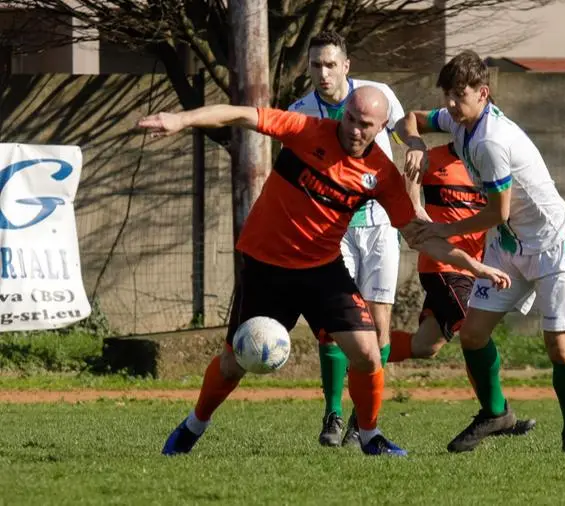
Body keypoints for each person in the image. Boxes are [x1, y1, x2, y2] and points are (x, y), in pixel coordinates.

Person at [139, 86, 511, 457]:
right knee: (234, 363)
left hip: (322, 270)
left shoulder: (380, 173)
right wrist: (181, 120)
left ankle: (370, 435)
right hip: (266, 266)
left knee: (367, 353)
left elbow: (417, 234)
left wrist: (472, 264)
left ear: (381, 127)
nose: (353, 129)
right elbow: (241, 114)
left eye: (365, 125)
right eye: (350, 118)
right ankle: (194, 425)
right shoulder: (306, 130)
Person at [396, 50, 565, 453]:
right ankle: (496, 414)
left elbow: (495, 211)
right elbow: (411, 118)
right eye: (448, 94)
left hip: (553, 245)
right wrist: (414, 142)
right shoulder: (458, 119)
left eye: (459, 95)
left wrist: (443, 229)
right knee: (472, 334)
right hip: (508, 245)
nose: (450, 104)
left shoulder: (490, 141)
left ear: (482, 93)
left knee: (560, 347)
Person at [287, 31, 415, 448]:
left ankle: (365, 419)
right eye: (314, 65)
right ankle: (333, 414)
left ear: (346, 65)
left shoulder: (377, 97)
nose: (322, 73)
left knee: (378, 328)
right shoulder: (301, 111)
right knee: (334, 325)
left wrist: (413, 144)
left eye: (329, 64)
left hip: (378, 224)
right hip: (331, 228)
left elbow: (403, 129)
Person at [387, 142, 537, 436]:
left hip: (476, 267)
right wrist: (416, 204)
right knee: (473, 331)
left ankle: (364, 352)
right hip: (441, 267)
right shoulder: (434, 157)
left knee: (424, 346)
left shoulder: (488, 165)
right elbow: (408, 182)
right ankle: (495, 412)